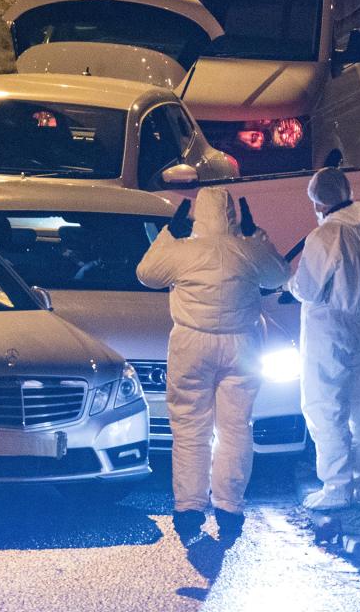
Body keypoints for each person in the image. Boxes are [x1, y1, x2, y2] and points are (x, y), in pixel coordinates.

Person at [137, 187, 289, 540]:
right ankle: (229, 506)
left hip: (192, 343)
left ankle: (189, 507)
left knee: (190, 429)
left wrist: (168, 235)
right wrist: (256, 235)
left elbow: (146, 273)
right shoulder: (247, 251)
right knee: (236, 428)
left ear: (196, 215)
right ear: (233, 215)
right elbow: (278, 274)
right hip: (242, 345)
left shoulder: (184, 252)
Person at [290, 167, 360, 510]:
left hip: (330, 332)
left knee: (326, 409)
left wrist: (286, 284)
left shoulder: (326, 237)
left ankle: (337, 487)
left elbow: (307, 288)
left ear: (319, 203)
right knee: (358, 408)